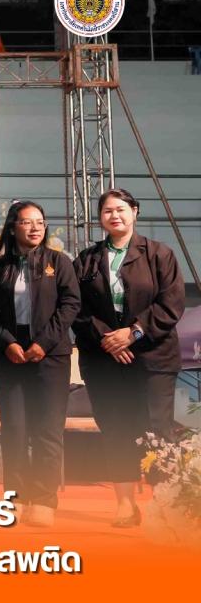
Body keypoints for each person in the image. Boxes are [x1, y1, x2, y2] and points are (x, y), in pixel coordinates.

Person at [74, 188, 184, 527]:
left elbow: (171, 304)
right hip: (104, 359)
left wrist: (133, 333)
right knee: (116, 429)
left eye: (121, 209)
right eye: (108, 211)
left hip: (153, 359)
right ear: (100, 218)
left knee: (156, 429)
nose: (115, 216)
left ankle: (165, 504)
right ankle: (125, 505)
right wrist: (108, 339)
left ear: (135, 212)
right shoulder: (87, 259)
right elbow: (75, 307)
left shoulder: (159, 254)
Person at [0, 201, 80, 526]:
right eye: (27, 222)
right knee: (14, 430)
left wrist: (43, 343)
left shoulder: (58, 262)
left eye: (40, 221)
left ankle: (44, 499)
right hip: (9, 355)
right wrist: (7, 341)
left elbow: (70, 305)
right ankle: (16, 498)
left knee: (47, 430)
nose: (35, 227)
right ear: (13, 228)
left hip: (50, 356)